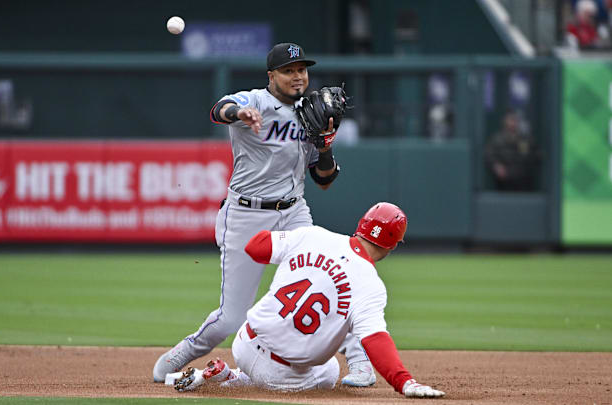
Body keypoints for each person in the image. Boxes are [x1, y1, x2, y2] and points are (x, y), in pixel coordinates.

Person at [153, 42, 377, 387]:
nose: (297, 76)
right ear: (272, 75)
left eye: (302, 70)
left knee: (330, 282)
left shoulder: (312, 111)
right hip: (245, 214)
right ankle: (183, 352)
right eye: (289, 71)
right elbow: (219, 108)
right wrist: (239, 115)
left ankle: (360, 362)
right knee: (232, 318)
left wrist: (325, 144)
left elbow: (325, 179)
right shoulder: (255, 100)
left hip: (294, 213)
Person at [168, 202, 446, 398]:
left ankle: (229, 375)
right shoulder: (371, 285)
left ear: (361, 226)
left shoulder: (313, 235)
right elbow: (375, 341)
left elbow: (255, 247)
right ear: (393, 245)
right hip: (281, 376)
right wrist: (404, 382)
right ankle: (233, 380)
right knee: (330, 368)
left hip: (244, 343)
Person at [484, 110, 538, 192]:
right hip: (503, 182)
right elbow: (489, 154)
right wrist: (496, 166)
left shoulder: (525, 139)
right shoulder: (497, 139)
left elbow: (533, 155)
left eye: (515, 120)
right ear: (505, 121)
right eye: (510, 120)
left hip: (523, 182)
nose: (513, 123)